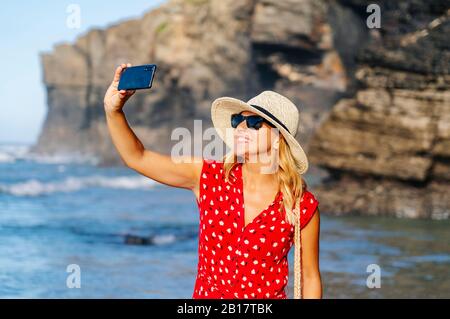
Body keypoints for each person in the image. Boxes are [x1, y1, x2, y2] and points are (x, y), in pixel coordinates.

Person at [104, 63, 322, 299]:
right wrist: (113, 111)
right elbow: (137, 157)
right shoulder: (209, 177)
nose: (241, 127)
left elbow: (310, 277)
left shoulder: (300, 204)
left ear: (279, 139)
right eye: (238, 120)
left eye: (254, 124)